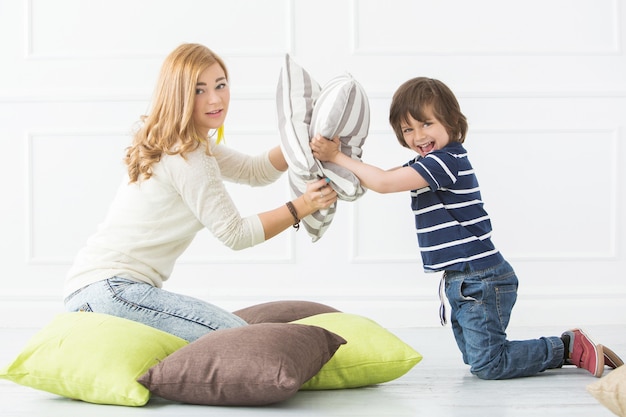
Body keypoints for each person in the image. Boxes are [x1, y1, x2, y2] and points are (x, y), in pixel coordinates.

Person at [310, 76, 623, 379]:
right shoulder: (426, 164)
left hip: (481, 278)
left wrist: (336, 155)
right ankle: (562, 347)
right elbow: (378, 176)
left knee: (489, 364)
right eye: (408, 129)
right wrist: (339, 165)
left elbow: (384, 182)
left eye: (426, 124)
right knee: (477, 358)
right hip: (463, 279)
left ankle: (565, 348)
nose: (418, 135)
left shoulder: (445, 161)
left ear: (450, 121)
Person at [64, 43, 337, 342]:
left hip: (92, 290)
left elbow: (254, 171)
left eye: (220, 85)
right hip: (112, 292)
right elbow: (236, 234)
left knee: (242, 338)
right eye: (199, 90)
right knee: (246, 341)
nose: (215, 98)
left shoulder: (180, 143)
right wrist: (303, 205)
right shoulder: (189, 157)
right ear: (178, 94)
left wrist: (300, 143)